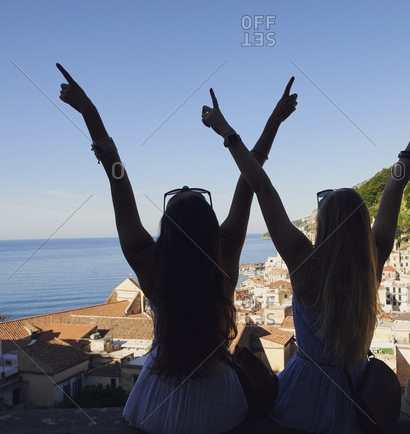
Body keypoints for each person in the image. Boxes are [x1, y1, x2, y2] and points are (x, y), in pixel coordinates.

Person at [57, 63, 298, 433]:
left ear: (166, 228)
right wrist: (272, 122)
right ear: (209, 224)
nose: (185, 185)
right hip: (218, 391)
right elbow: (251, 181)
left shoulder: (149, 262)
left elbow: (115, 172)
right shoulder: (225, 256)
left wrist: (90, 111)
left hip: (157, 392)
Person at [204, 87, 410, 433]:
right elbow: (395, 187)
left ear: (322, 224)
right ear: (362, 224)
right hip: (355, 394)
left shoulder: (304, 263)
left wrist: (226, 130)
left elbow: (261, 185)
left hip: (299, 393)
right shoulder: (371, 261)